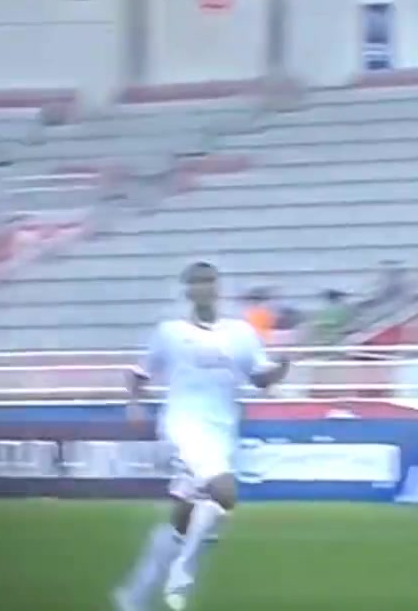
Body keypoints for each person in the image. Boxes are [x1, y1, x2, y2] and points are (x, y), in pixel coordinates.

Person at [113, 262, 290, 611]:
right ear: (188, 291)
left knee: (184, 517)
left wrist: (280, 370)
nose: (204, 288)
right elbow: (140, 373)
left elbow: (259, 378)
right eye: (196, 283)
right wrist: (133, 403)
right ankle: (181, 577)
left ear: (217, 287)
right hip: (183, 425)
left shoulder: (240, 333)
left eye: (209, 281)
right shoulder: (170, 332)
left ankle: (134, 596)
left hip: (221, 430)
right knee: (225, 492)